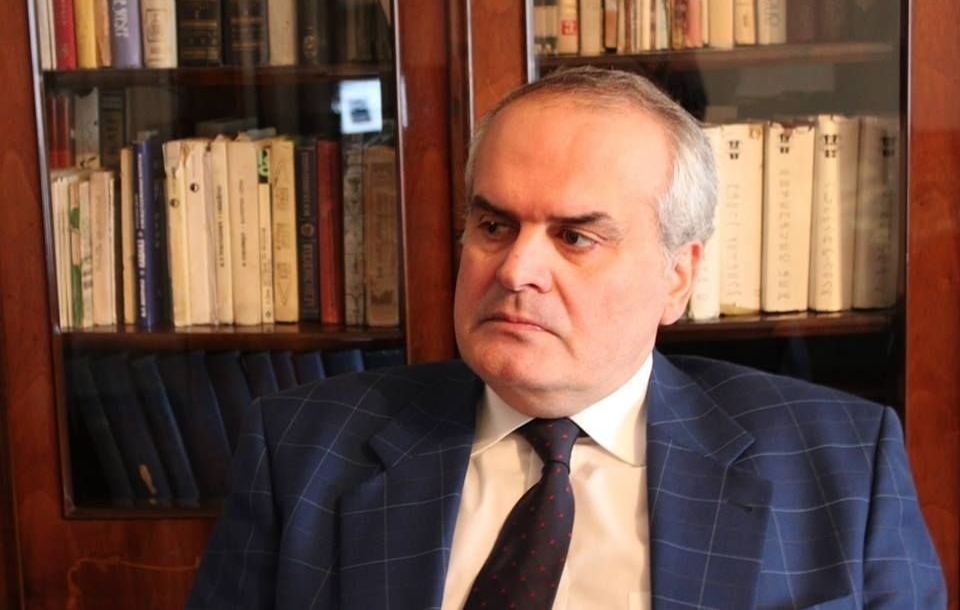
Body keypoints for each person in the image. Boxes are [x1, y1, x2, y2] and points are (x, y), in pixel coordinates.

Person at [185, 66, 946, 609]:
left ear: (676, 277)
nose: (516, 269)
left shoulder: (841, 464)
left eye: (575, 236)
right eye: (493, 225)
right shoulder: (303, 449)